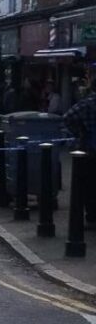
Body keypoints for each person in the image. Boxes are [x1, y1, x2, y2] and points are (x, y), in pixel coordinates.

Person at [64, 89, 96, 226]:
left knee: (90, 184)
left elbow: (67, 117)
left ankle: (92, 217)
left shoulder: (87, 104)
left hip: (90, 148)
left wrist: (79, 132)